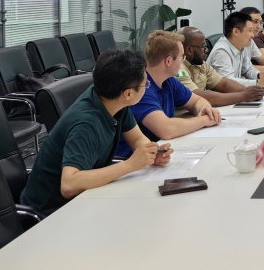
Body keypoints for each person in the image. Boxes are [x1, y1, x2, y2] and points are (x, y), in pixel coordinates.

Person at [21, 49, 173, 215]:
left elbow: (137, 139)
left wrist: (151, 152)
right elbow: (69, 185)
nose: (147, 86)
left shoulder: (113, 98)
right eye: (145, 84)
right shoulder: (86, 124)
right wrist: (130, 165)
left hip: (87, 197)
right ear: (128, 93)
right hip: (51, 211)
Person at [115, 31, 221, 156]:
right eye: (182, 57)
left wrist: (204, 109)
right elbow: (166, 129)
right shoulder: (141, 87)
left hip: (155, 154)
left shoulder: (168, 81)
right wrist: (204, 120)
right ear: (169, 61)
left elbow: (197, 101)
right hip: (131, 159)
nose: (182, 62)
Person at [178, 26, 264, 107]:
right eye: (203, 46)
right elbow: (197, 97)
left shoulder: (201, 64)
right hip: (183, 116)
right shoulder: (178, 69)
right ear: (189, 50)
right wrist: (243, 96)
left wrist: (251, 91)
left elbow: (223, 84)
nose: (206, 50)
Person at [208, 12, 264, 87]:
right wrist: (256, 83)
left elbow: (247, 70)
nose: (252, 35)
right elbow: (228, 82)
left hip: (236, 90)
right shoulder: (221, 51)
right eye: (250, 30)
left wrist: (258, 75)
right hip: (222, 93)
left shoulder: (241, 47)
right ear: (236, 31)